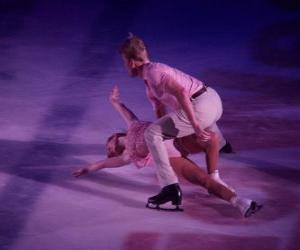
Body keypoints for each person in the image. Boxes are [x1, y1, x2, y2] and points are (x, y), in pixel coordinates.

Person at [72, 86, 262, 217]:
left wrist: (114, 101)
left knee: (211, 137)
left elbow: (125, 111)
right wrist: (87, 169)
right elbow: (103, 164)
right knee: (205, 182)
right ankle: (241, 203)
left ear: (114, 137)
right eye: (108, 150)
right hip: (172, 158)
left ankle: (216, 174)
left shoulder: (132, 125)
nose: (109, 149)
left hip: (178, 139)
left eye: (108, 146)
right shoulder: (127, 156)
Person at [119, 34, 233, 208]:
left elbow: (181, 92)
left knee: (151, 133)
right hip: (211, 101)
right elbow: (160, 110)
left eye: (124, 61)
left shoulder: (153, 73)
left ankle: (169, 187)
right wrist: (166, 137)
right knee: (161, 131)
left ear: (131, 62)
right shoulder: (151, 75)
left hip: (202, 108)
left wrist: (194, 124)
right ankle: (216, 171)